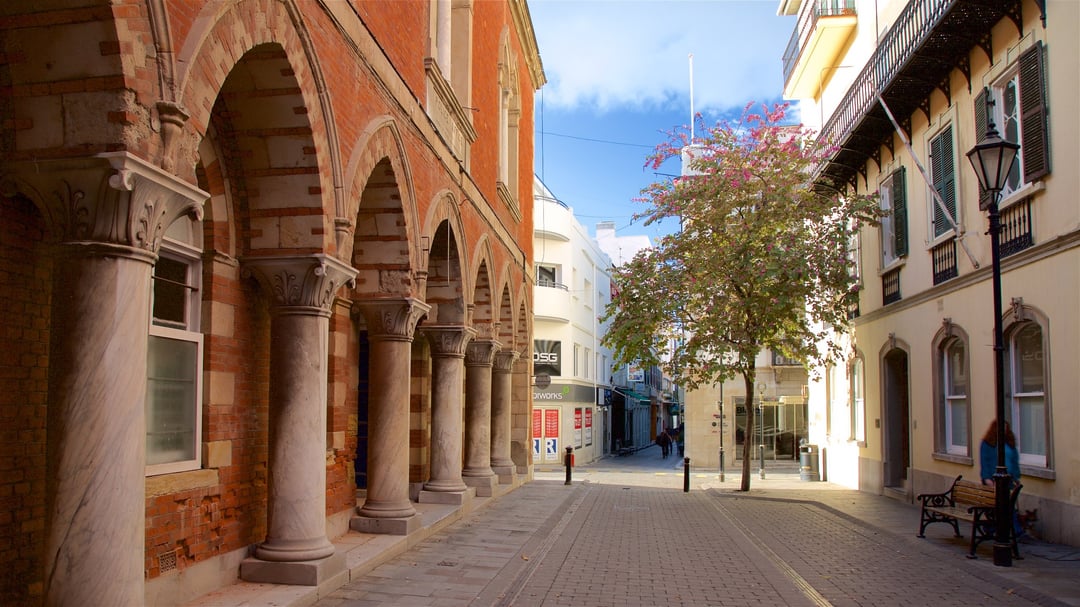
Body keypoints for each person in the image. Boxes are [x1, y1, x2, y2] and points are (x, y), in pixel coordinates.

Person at [979, 420, 1020, 486]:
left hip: (1009, 480)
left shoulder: (1010, 443)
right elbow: (984, 462)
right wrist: (987, 478)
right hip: (993, 480)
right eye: (1001, 428)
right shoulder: (987, 444)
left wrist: (1016, 478)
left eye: (1005, 428)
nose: (1003, 430)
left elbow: (1014, 461)